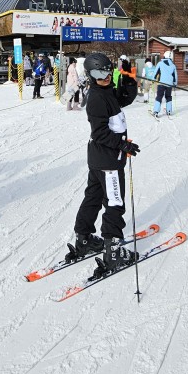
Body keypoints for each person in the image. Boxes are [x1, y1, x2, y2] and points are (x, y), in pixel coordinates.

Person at [69, 52, 140, 274]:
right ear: (90, 75)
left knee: (93, 197)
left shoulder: (106, 91)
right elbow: (99, 133)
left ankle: (84, 239)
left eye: (108, 71)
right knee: (115, 203)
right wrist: (122, 145)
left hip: (100, 159)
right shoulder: (97, 98)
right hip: (108, 160)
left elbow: (125, 98)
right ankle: (113, 252)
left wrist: (127, 76)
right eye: (99, 74)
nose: (105, 76)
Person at [152, 50, 178, 117]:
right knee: (168, 96)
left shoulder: (160, 63)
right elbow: (175, 76)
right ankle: (169, 111)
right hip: (169, 84)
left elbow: (156, 72)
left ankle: (156, 111)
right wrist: (175, 83)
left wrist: (153, 79)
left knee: (159, 97)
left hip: (161, 83)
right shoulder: (173, 65)